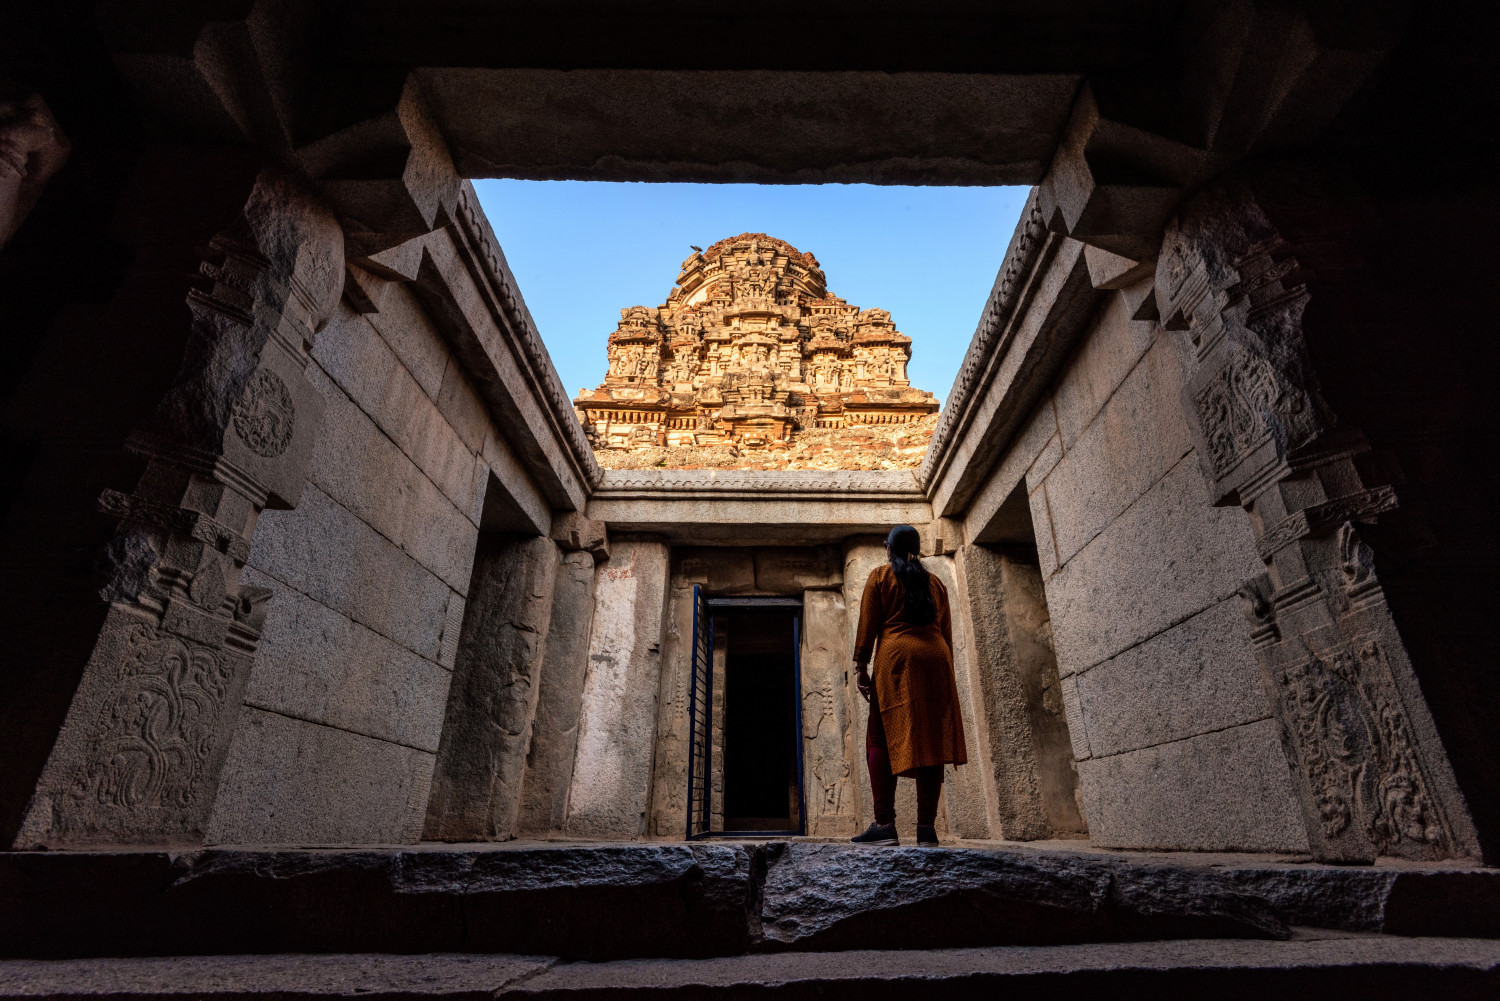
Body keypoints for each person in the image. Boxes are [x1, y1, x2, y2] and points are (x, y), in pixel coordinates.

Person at [850, 525, 967, 847]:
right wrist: (947, 675)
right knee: (931, 741)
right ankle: (926, 829)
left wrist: (861, 666)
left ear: (888, 547)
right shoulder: (936, 583)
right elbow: (945, 630)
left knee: (879, 738)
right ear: (916, 548)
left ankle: (885, 825)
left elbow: (867, 626)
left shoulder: (879, 577)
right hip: (936, 659)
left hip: (897, 659)